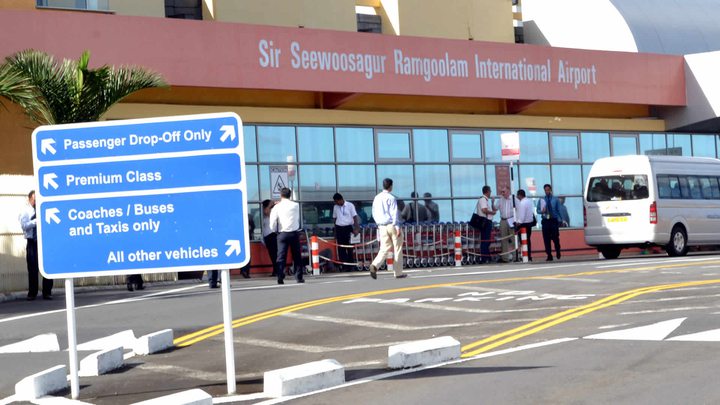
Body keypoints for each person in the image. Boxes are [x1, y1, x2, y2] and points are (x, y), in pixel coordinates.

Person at [369, 178, 406, 280]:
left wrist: (379, 224)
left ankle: (375, 265)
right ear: (391, 186)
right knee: (397, 249)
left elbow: (374, 213)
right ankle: (398, 273)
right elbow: (395, 213)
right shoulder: (391, 198)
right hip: (392, 225)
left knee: (384, 249)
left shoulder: (376, 198)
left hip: (381, 226)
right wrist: (397, 226)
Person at [19, 190, 53, 300]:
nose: (35, 202)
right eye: (34, 199)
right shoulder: (25, 211)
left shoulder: (43, 208)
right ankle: (32, 293)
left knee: (47, 266)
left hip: (44, 241)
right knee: (32, 268)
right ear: (29, 199)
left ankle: (47, 292)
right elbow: (24, 226)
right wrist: (35, 221)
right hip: (32, 242)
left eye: (37, 199)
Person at [269, 188, 304, 284]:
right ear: (290, 195)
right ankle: (299, 277)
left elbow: (272, 222)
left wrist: (274, 231)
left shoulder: (277, 207)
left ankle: (280, 277)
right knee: (297, 256)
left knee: (281, 256)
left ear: (281, 195)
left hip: (282, 234)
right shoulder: (295, 205)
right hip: (294, 233)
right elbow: (297, 218)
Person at [332, 193, 360, 271]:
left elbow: (355, 217)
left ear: (341, 199)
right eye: (335, 202)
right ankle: (344, 266)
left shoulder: (350, 205)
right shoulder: (335, 207)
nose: (336, 203)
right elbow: (334, 219)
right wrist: (335, 231)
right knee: (341, 248)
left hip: (348, 228)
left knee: (349, 247)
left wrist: (356, 228)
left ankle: (351, 266)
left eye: (337, 202)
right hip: (339, 228)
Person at [537, 184, 562, 261]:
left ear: (550, 190)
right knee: (546, 239)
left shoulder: (555, 199)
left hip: (553, 220)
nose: (547, 191)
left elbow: (559, 210)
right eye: (545, 190)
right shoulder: (541, 200)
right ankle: (549, 255)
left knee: (555, 238)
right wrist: (542, 211)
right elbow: (537, 210)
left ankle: (558, 250)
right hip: (545, 221)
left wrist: (561, 220)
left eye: (548, 190)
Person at [494, 187, 515, 263]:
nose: (502, 193)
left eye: (504, 191)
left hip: (511, 219)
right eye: (501, 192)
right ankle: (505, 258)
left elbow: (518, 209)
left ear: (508, 191)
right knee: (503, 239)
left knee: (513, 238)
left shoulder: (513, 199)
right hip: (503, 220)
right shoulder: (500, 200)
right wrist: (492, 202)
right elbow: (495, 209)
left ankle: (515, 256)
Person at [476, 185, 496, 264]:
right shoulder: (483, 200)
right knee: (485, 240)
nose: (491, 193)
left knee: (486, 240)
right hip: (486, 222)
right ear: (487, 192)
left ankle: (487, 256)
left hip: (487, 222)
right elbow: (484, 210)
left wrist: (492, 202)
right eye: (490, 191)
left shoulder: (485, 200)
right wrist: (492, 212)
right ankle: (485, 257)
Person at [515, 189, 535, 261]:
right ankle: (528, 256)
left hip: (523, 225)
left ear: (520, 195)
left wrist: (518, 223)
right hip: (529, 224)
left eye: (517, 195)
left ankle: (525, 256)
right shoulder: (529, 202)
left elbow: (522, 216)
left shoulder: (522, 203)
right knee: (528, 241)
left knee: (523, 241)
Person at [261, 199, 278, 277]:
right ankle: (276, 270)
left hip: (272, 235)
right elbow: (266, 211)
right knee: (272, 254)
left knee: (274, 254)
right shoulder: (264, 213)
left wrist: (272, 204)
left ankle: (276, 270)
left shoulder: (272, 213)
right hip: (267, 236)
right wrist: (271, 204)